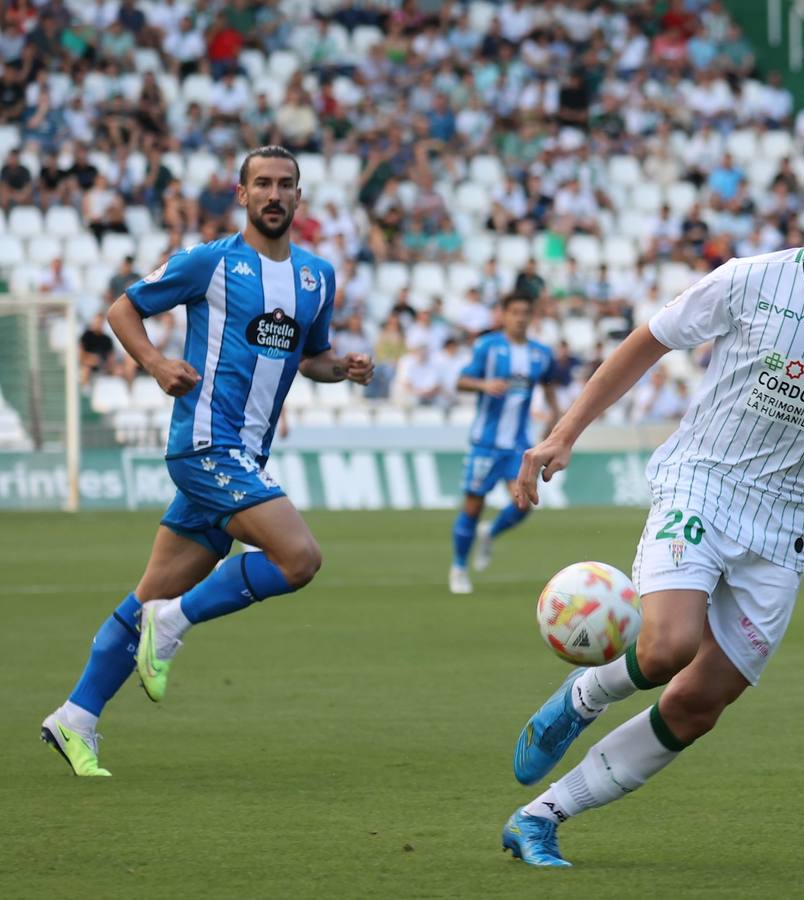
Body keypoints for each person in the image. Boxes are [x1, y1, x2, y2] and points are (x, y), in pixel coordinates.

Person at [499, 143, 804, 867]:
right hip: (704, 480)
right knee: (668, 644)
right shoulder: (750, 281)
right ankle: (581, 699)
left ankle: (541, 817)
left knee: (698, 704)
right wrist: (564, 433)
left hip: (786, 525)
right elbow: (648, 342)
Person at [39, 146, 374, 777]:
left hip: (242, 458)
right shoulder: (210, 263)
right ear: (241, 194)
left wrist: (345, 370)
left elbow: (312, 358)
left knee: (147, 594)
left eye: (286, 185)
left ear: (299, 197)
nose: (275, 195)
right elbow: (122, 309)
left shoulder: (315, 277)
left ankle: (75, 717)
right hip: (205, 446)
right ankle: (175, 622)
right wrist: (159, 364)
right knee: (299, 559)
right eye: (263, 185)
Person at [448, 293, 559, 594]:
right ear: (504, 315)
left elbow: (550, 393)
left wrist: (554, 423)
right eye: (514, 312)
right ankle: (459, 567)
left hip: (519, 445)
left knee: (523, 503)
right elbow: (461, 380)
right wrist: (484, 384)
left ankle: (491, 532)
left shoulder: (541, 353)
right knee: (473, 506)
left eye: (525, 312)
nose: (520, 318)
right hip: (485, 443)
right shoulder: (488, 347)